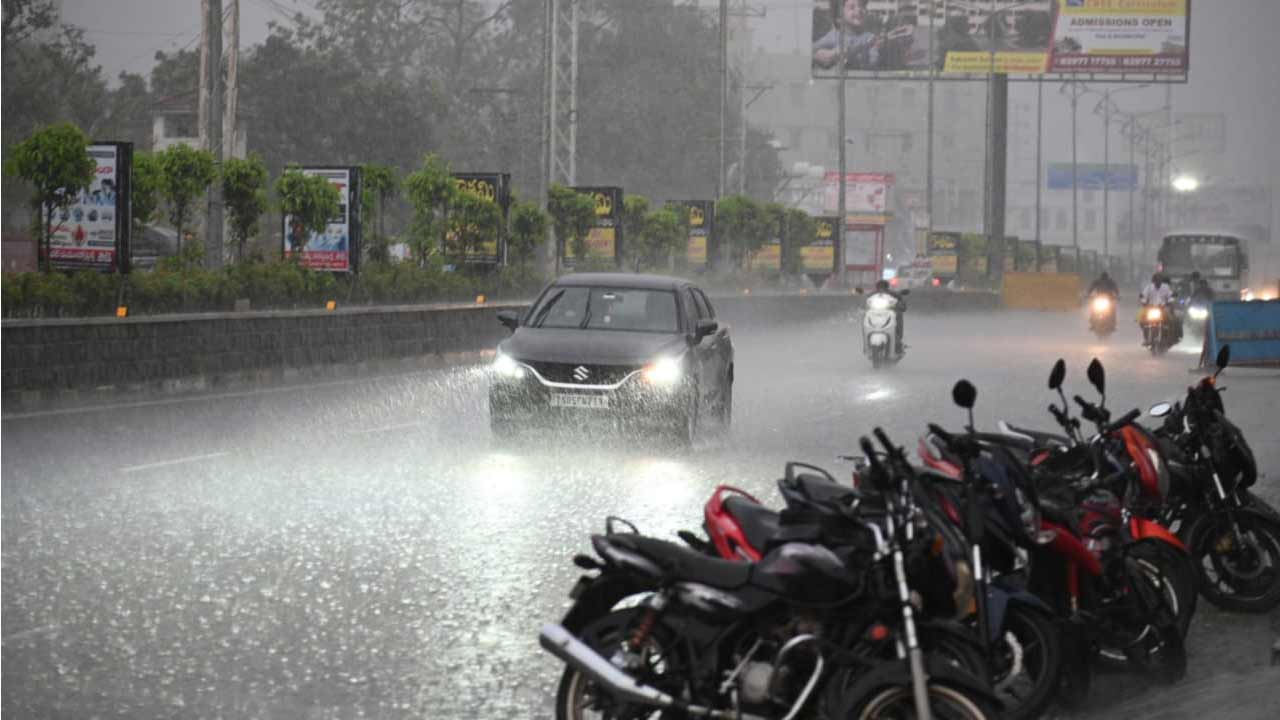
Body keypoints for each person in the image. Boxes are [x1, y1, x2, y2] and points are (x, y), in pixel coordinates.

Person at [812, 0, 883, 71]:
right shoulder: (834, 35)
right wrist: (832, 54)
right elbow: (813, 51)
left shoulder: (869, 37)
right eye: (852, 7)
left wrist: (875, 49)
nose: (859, 10)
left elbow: (872, 65)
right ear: (839, 16)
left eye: (862, 6)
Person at [870, 278, 907, 350]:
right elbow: (865, 302)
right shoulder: (872, 295)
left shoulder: (894, 294)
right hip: (875, 315)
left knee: (898, 315)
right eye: (880, 287)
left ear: (887, 287)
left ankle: (898, 339)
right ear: (877, 288)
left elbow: (902, 304)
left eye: (883, 287)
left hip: (890, 314)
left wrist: (899, 305)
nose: (881, 289)